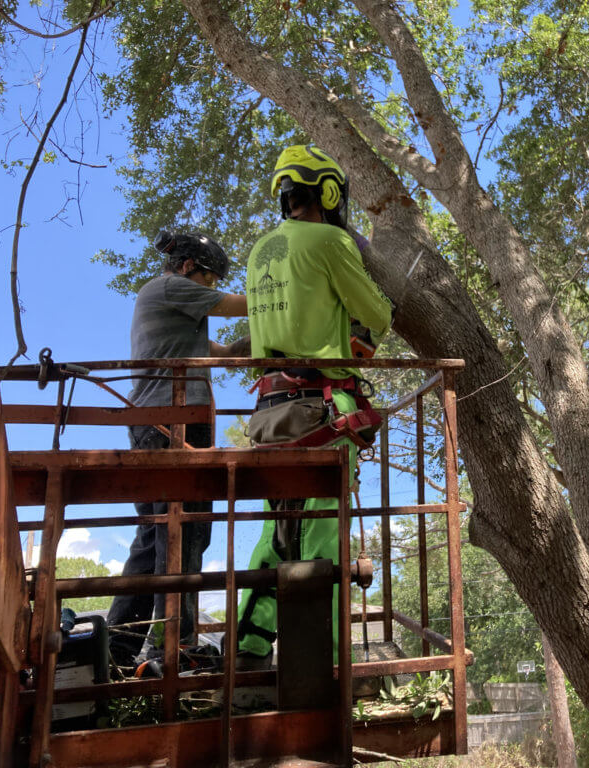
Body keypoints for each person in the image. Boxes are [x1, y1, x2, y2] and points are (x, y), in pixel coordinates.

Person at [236, 144, 392, 663]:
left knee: (275, 535)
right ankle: (321, 663)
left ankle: (250, 650)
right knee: (323, 537)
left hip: (267, 414)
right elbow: (377, 312)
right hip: (317, 410)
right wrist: (361, 328)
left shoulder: (260, 250)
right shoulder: (329, 240)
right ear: (328, 192)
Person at [107, 230, 249, 669]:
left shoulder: (171, 308)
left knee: (154, 536)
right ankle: (178, 645)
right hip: (175, 419)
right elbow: (237, 305)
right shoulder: (170, 287)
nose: (209, 289)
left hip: (153, 423)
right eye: (209, 279)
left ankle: (118, 645)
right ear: (189, 267)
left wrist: (252, 348)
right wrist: (283, 294)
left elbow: (223, 353)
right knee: (185, 530)